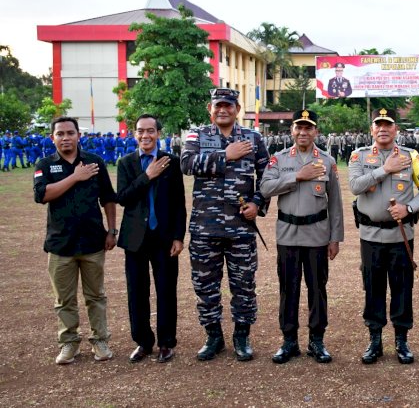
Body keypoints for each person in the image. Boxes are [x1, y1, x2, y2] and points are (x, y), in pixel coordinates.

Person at [181, 88, 270, 362]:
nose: (223, 110)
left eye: (228, 106)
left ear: (237, 109)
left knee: (243, 285)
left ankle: (242, 337)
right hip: (205, 228)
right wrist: (225, 155)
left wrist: (257, 204)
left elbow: (267, 176)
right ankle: (213, 337)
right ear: (211, 108)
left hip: (241, 229)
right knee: (205, 286)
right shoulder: (197, 135)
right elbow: (186, 164)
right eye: (218, 105)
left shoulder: (253, 138)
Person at [260, 109, 344, 364]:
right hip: (287, 235)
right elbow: (265, 188)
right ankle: (289, 341)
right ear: (292, 131)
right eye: (299, 127)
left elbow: (336, 203)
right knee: (289, 289)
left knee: (317, 289)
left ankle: (317, 340)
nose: (303, 132)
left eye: (308, 128)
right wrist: (296, 176)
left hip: (317, 235)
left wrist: (335, 238)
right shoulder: (279, 159)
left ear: (315, 131)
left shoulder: (327, 161)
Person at [349, 108, 419, 364]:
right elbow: (355, 186)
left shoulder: (412, 156)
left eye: (388, 125)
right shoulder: (359, 156)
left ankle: (401, 340)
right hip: (371, 236)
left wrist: (408, 208)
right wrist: (384, 169)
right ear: (372, 129)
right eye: (378, 125)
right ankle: (375, 340)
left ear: (396, 129)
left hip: (401, 235)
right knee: (373, 287)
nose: (383, 129)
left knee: (402, 287)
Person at [33, 116, 118, 365]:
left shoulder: (95, 162)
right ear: (53, 138)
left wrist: (112, 231)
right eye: (60, 134)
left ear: (79, 135)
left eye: (70, 133)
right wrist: (75, 177)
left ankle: (100, 340)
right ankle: (69, 343)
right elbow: (42, 195)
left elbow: (108, 199)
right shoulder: (45, 164)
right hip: (61, 244)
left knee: (96, 296)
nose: (65, 138)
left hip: (93, 242)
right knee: (64, 300)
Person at [116, 114, 186, 364]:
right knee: (137, 291)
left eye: (150, 131)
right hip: (136, 238)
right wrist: (147, 175)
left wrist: (179, 236)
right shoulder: (126, 163)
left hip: (165, 237)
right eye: (140, 131)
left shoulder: (171, 161)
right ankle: (143, 341)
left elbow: (179, 202)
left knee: (166, 290)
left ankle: (167, 342)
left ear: (159, 133)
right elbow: (123, 197)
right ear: (134, 134)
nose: (145, 136)